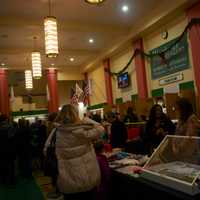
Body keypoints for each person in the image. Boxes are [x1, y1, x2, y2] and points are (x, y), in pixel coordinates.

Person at [55, 104, 104, 200]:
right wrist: (86, 119)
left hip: (67, 179)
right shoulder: (82, 131)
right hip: (86, 178)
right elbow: (101, 129)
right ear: (76, 114)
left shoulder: (58, 132)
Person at [0, 114, 17, 185]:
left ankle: (3, 180)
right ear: (6, 119)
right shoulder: (10, 127)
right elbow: (13, 138)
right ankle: (11, 180)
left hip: (1, 150)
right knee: (11, 165)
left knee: (2, 165)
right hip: (10, 150)